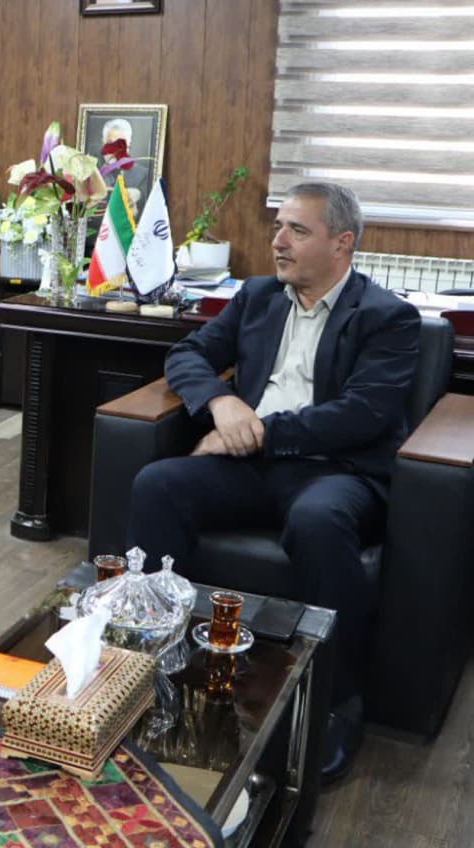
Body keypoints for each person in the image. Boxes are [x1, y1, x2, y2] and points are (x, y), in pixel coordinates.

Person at [126, 182, 420, 785]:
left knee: (317, 521)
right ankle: (154, 663)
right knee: (159, 484)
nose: (278, 241)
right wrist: (223, 404)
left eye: (297, 230)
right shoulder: (257, 297)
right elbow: (186, 356)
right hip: (252, 467)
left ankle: (336, 703)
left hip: (336, 472)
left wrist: (256, 432)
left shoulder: (387, 317)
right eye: (278, 226)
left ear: (342, 244)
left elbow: (362, 415)